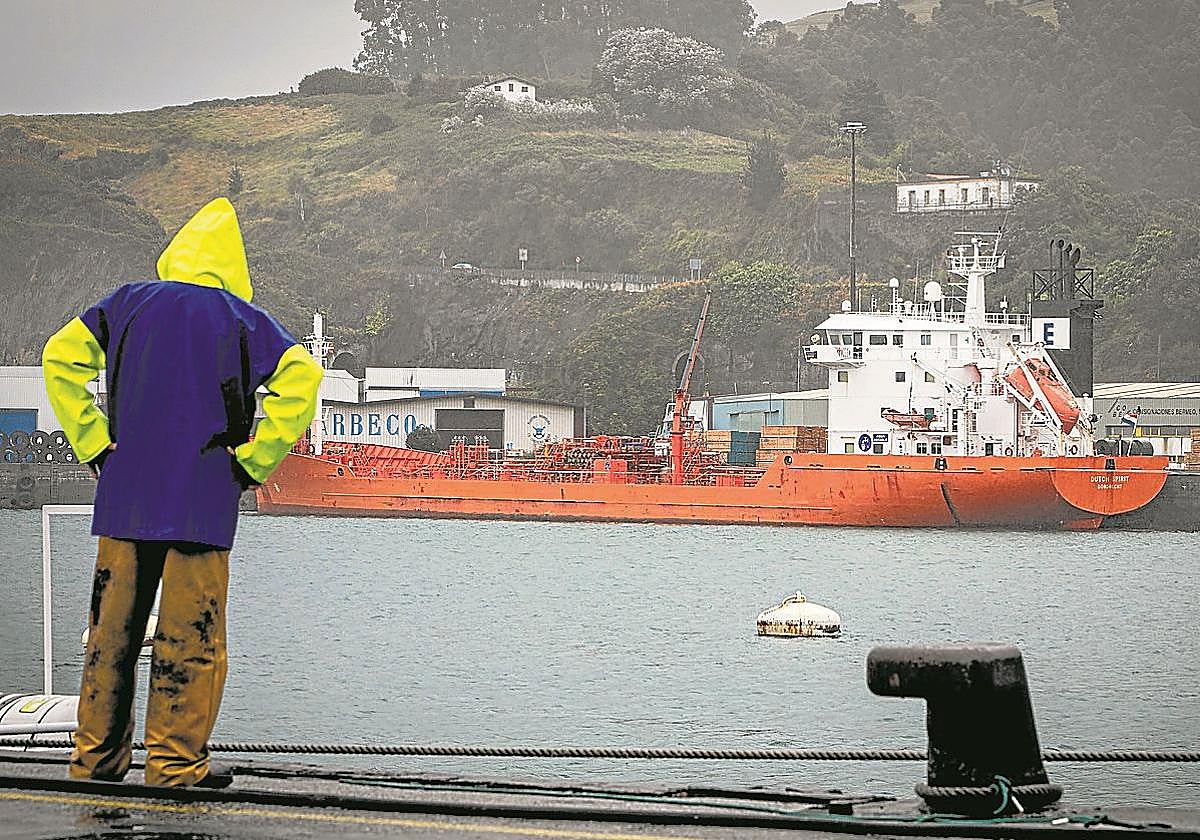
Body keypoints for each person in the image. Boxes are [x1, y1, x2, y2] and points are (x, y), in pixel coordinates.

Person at [42, 197, 323, 787]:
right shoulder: (242, 319)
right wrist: (253, 462)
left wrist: (93, 443)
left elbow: (60, 357)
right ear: (232, 263)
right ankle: (174, 766)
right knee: (190, 638)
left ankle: (94, 762)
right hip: (203, 499)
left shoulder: (127, 303)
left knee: (110, 637)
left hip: (126, 495)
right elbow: (302, 379)